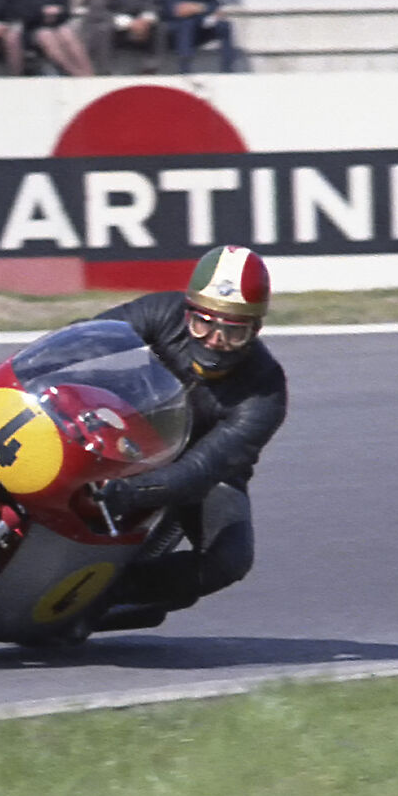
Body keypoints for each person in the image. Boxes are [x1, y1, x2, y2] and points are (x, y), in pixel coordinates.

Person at [81, 247, 286, 629]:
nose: (215, 340)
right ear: (189, 313)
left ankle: (110, 595)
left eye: (234, 332)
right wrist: (23, 367)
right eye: (204, 324)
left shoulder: (266, 391)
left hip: (204, 467)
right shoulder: (164, 311)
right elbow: (85, 337)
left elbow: (201, 470)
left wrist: (131, 492)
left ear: (254, 331)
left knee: (231, 558)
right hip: (133, 427)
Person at [13, 0, 91, 75]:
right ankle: (74, 72)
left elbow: (66, 8)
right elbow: (23, 14)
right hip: (34, 28)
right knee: (46, 35)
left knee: (67, 33)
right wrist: (43, 13)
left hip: (57, 23)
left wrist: (57, 13)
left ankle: (88, 72)